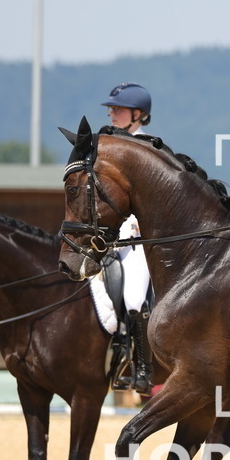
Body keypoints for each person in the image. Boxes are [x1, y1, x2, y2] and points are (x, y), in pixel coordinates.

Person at [101, 82, 154, 395]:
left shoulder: (148, 147)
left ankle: (142, 368)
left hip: (138, 238)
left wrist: (137, 223)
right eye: (111, 109)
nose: (112, 113)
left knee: (134, 297)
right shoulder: (107, 145)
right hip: (109, 236)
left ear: (138, 114)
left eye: (118, 109)